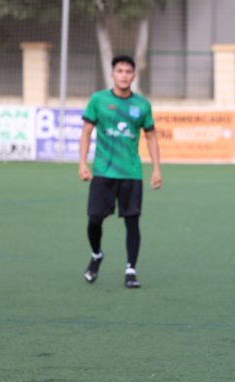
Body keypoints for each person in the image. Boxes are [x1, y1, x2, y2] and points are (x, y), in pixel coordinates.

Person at [79, 55, 162, 289]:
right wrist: (82, 164)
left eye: (128, 71)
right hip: (103, 172)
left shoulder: (142, 105)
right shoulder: (98, 100)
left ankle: (131, 270)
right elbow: (86, 133)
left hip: (131, 173)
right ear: (113, 74)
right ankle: (96, 255)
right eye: (120, 71)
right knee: (94, 220)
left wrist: (156, 169)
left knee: (132, 222)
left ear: (134, 76)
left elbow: (152, 137)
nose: (124, 75)